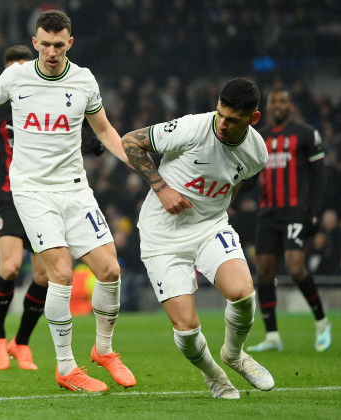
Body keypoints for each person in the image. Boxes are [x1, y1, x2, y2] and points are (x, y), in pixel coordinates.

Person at [0, 10, 136, 392]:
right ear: (35, 42)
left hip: (76, 189)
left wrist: (138, 164)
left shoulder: (83, 80)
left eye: (58, 45)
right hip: (30, 191)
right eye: (44, 44)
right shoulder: (16, 77)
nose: (51, 52)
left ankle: (105, 351)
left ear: (69, 44)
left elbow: (105, 130)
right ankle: (65, 368)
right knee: (59, 272)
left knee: (110, 270)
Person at [121, 78, 275, 399]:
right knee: (188, 330)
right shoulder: (192, 128)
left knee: (243, 294)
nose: (222, 124)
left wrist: (216, 212)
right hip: (162, 234)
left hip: (209, 227)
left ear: (253, 119)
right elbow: (130, 142)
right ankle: (215, 376)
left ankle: (234, 355)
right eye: (220, 114)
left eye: (232, 120)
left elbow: (234, 183)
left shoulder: (257, 153)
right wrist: (162, 189)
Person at [0, 44, 106, 371]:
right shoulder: (0, 106)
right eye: (11, 70)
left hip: (48, 196)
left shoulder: (50, 99)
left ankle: (21, 343)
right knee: (10, 267)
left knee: (44, 275)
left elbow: (74, 125)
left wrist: (90, 139)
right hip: (10, 195)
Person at [247, 87, 331, 353]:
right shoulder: (260, 138)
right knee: (264, 272)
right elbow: (249, 176)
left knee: (295, 268)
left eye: (283, 101)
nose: (279, 105)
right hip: (268, 213)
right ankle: (272, 336)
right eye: (274, 101)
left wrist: (314, 212)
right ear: (268, 107)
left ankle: (322, 321)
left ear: (290, 106)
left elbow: (319, 176)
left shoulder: (306, 135)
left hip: (296, 211)